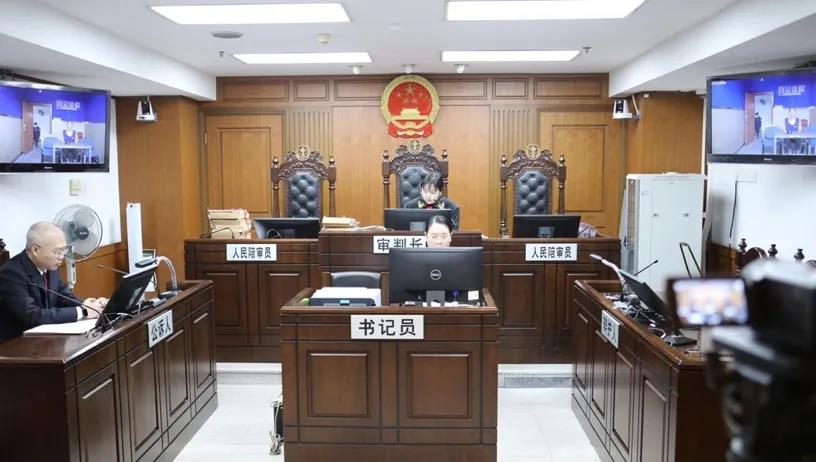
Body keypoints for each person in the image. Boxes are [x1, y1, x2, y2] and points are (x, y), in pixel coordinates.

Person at [0, 222, 107, 342]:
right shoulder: (11, 273)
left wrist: (89, 305)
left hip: (45, 339)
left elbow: (63, 296)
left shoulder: (49, 266)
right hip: (16, 344)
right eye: (57, 251)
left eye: (64, 250)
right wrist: (83, 311)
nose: (62, 256)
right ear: (35, 250)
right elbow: (32, 315)